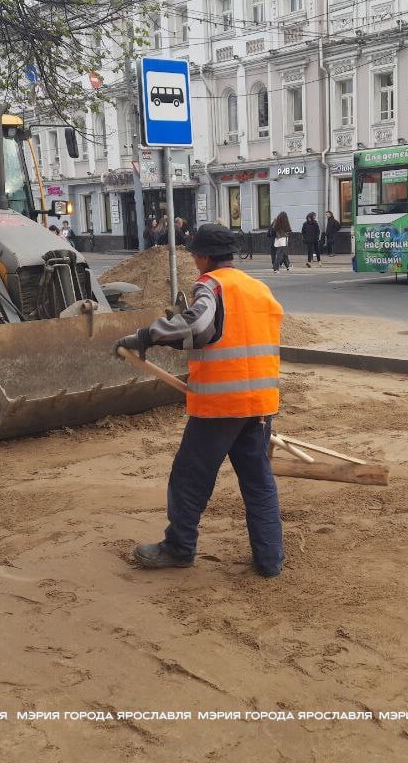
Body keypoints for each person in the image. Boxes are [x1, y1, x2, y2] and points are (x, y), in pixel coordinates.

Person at [115, 224, 285, 577]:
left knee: (189, 478)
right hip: (260, 405)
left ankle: (179, 548)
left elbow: (197, 327)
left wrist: (148, 335)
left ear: (205, 257)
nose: (194, 261)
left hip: (221, 406)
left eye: (195, 255)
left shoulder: (211, 285)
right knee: (258, 482)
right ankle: (270, 560)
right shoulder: (259, 288)